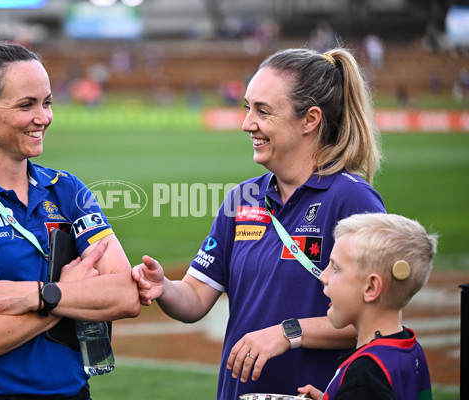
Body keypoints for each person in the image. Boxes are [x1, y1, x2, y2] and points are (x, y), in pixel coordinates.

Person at [132, 47, 385, 399]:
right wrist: (163, 287)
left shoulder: (352, 200)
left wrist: (286, 332)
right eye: (248, 108)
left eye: (263, 111)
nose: (247, 123)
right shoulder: (242, 198)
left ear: (310, 120)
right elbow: (194, 296)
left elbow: (376, 320)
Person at [0, 40, 140, 400]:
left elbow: (126, 296)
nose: (44, 117)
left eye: (47, 102)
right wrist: (63, 296)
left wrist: (36, 295)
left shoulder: (67, 190)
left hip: (73, 393)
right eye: (27, 105)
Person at [298, 213, 437, 399]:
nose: (323, 276)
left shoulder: (364, 375)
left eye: (335, 268)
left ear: (371, 287)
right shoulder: (409, 347)